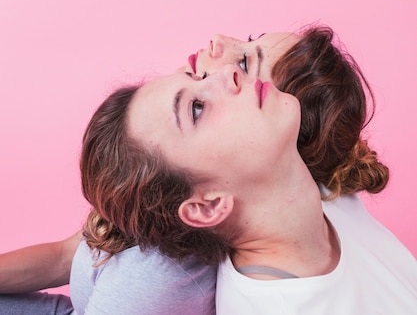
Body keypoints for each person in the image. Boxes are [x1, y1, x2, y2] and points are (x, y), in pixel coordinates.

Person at [0, 26, 411, 313]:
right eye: (197, 104)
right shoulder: (159, 274)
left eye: (249, 62)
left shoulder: (329, 194)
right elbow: (64, 254)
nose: (227, 68)